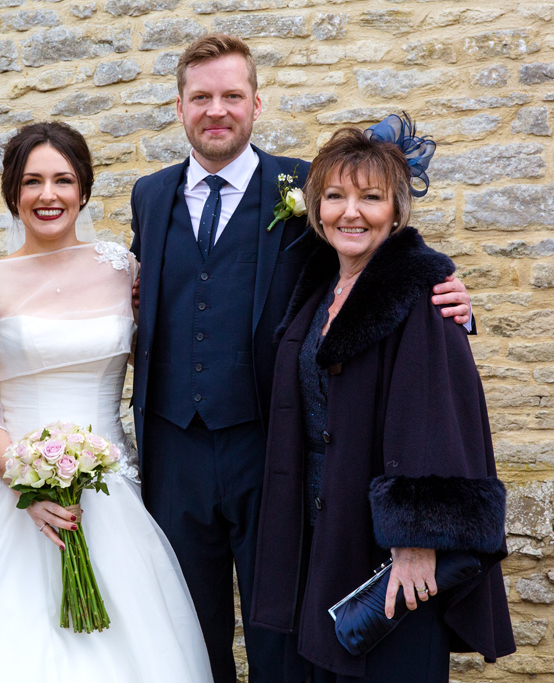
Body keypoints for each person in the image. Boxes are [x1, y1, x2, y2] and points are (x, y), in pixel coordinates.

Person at [128, 33, 475, 683]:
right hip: (173, 450)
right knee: (183, 627)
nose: (216, 110)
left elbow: (374, 247)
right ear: (179, 107)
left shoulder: (303, 184)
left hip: (270, 448)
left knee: (280, 629)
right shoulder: (149, 195)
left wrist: (447, 294)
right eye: (201, 97)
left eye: (232, 96)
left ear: (255, 104)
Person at [0, 121, 213, 683]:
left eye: (63, 180)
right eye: (32, 181)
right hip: (11, 491)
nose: (48, 195)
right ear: (13, 193)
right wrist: (26, 482)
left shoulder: (125, 270)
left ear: (84, 189)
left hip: (110, 491)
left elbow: (162, 357)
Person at [250, 117, 515, 682]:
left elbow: (437, 421)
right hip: (323, 533)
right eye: (335, 196)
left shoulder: (423, 295)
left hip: (388, 552)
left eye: (370, 198)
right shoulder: (318, 290)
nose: (351, 212)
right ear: (317, 209)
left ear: (396, 211)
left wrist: (416, 540)